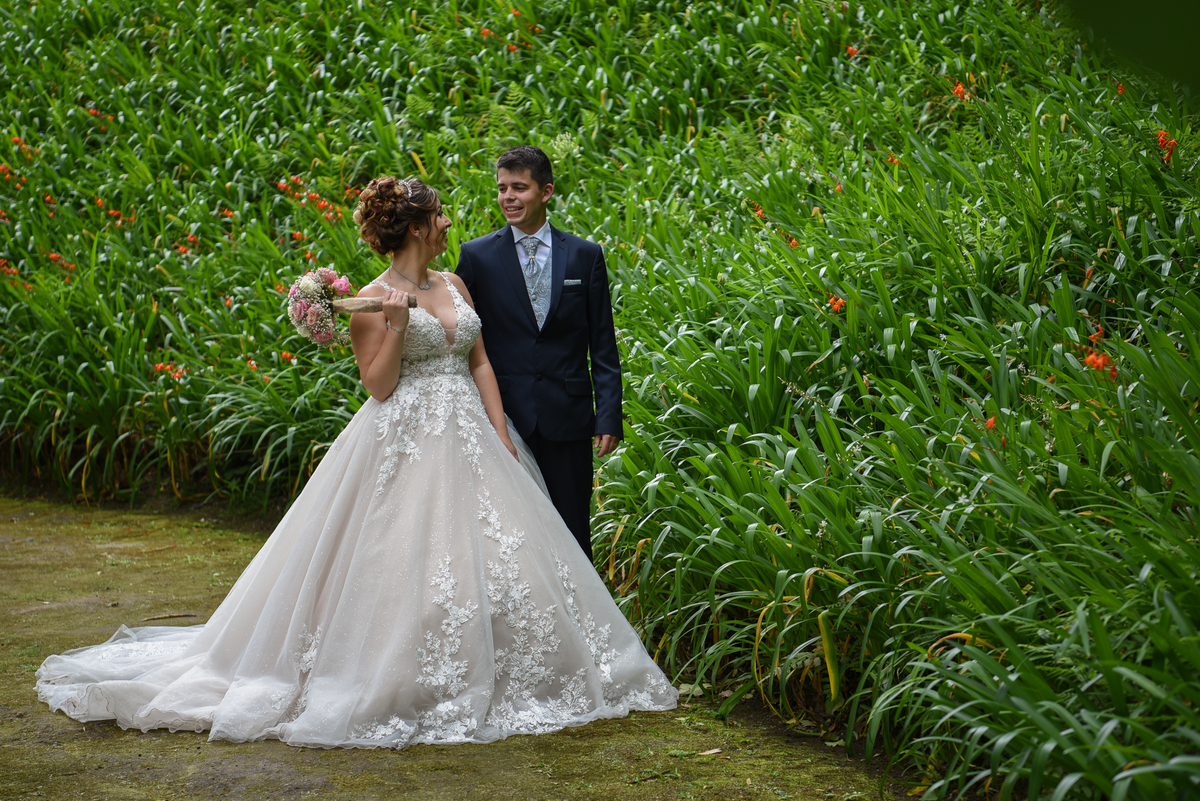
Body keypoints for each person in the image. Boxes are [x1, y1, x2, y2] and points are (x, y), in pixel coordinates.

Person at [35, 176, 677, 749]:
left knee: (500, 550)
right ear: (420, 227)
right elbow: (377, 385)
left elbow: (478, 357)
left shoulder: (453, 282)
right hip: (406, 433)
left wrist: (501, 430)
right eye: (441, 216)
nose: (451, 223)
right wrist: (396, 325)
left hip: (475, 431)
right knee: (406, 555)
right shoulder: (373, 298)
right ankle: (393, 671)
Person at [456, 146, 621, 562]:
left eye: (519, 188)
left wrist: (609, 415)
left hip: (568, 416)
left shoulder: (585, 255)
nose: (508, 197)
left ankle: (583, 624)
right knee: (510, 538)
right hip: (504, 419)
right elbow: (463, 339)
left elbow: (602, 343)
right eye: (501, 188)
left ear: (546, 192)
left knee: (572, 533)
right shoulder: (476, 256)